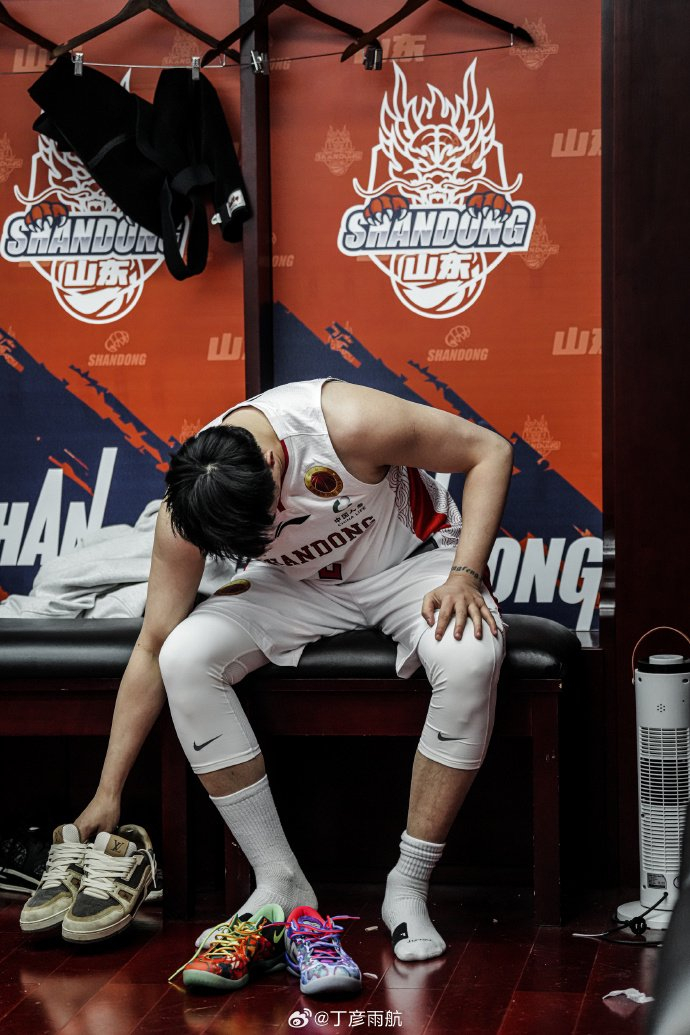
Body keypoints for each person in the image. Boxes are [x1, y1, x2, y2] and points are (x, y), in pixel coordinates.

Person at [45, 378, 513, 961]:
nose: (267, 536)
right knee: (184, 654)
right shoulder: (187, 511)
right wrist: (106, 790)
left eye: (266, 520)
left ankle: (408, 886)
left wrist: (466, 573)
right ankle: (281, 883)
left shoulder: (346, 422)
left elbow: (489, 449)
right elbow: (151, 643)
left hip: (410, 563)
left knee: (471, 655)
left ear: (271, 462)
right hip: (297, 586)